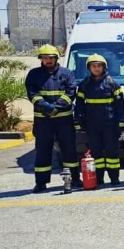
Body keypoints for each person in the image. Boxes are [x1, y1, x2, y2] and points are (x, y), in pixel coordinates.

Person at [25, 44, 80, 193]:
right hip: (43, 120)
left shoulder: (67, 73)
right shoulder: (33, 74)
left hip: (64, 120)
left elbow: (71, 92)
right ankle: (41, 182)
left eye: (51, 58)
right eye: (45, 58)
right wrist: (45, 106)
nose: (48, 60)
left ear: (56, 58)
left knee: (69, 150)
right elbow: (32, 93)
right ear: (41, 59)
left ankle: (74, 179)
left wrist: (57, 106)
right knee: (43, 151)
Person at [75, 54, 124, 187]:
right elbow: (79, 105)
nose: (96, 68)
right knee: (96, 152)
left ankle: (114, 178)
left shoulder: (112, 83)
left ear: (104, 67)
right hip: (92, 125)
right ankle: (99, 178)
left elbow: (120, 106)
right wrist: (80, 121)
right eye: (93, 66)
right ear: (89, 68)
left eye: (99, 66)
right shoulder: (84, 85)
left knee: (112, 152)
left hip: (110, 124)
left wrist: (120, 124)